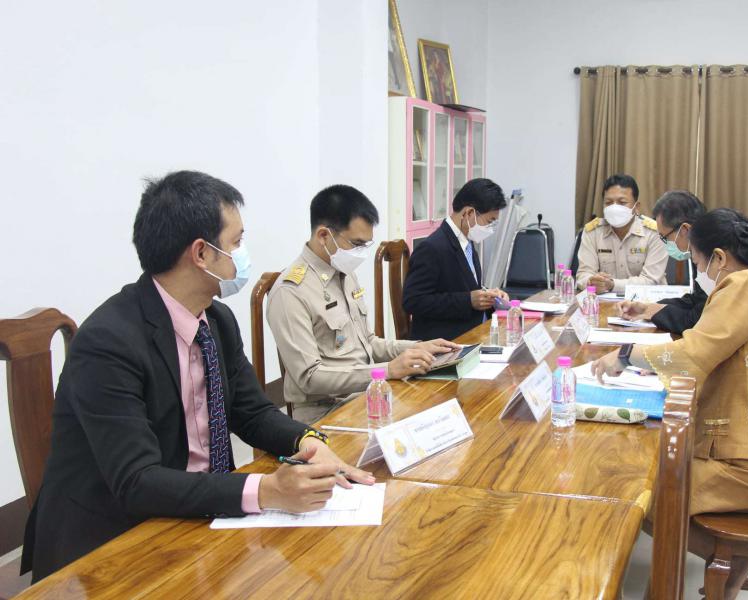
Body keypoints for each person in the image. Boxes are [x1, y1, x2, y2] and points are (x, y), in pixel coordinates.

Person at [22, 171, 374, 582]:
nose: (242, 255)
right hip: (112, 544)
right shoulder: (109, 342)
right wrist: (267, 490)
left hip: (200, 514)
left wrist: (308, 441)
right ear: (201, 254)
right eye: (236, 242)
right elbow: (137, 481)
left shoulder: (217, 320)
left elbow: (252, 412)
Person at [591, 208, 748, 599]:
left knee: (639, 492)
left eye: (696, 261)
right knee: (650, 479)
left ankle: (709, 567)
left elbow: (693, 354)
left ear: (719, 258)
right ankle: (720, 560)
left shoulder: (743, 285)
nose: (699, 272)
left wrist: (624, 354)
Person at [267, 185, 458, 423]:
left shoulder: (344, 273)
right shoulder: (291, 291)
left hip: (365, 394)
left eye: (366, 245)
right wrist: (387, 371)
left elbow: (368, 342)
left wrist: (417, 348)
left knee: (438, 406)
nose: (361, 253)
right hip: (325, 412)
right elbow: (309, 377)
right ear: (324, 236)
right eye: (356, 244)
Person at [402, 178, 509, 341]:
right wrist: (468, 301)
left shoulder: (466, 241)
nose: (490, 229)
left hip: (474, 331)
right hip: (447, 340)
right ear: (469, 213)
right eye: (489, 222)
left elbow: (461, 285)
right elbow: (413, 301)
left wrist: (488, 295)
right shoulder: (432, 248)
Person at [616, 190, 707, 333]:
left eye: (665, 237)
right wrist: (646, 308)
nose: (665, 243)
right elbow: (694, 301)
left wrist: (651, 313)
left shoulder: (712, 258)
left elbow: (696, 320)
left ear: (685, 230)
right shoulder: (700, 251)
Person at [576, 174, 668, 293]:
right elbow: (583, 274)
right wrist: (591, 282)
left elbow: (650, 281)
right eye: (608, 202)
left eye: (622, 202)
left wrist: (612, 285)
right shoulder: (592, 232)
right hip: (603, 300)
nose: (614, 208)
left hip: (647, 300)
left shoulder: (655, 232)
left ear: (636, 207)